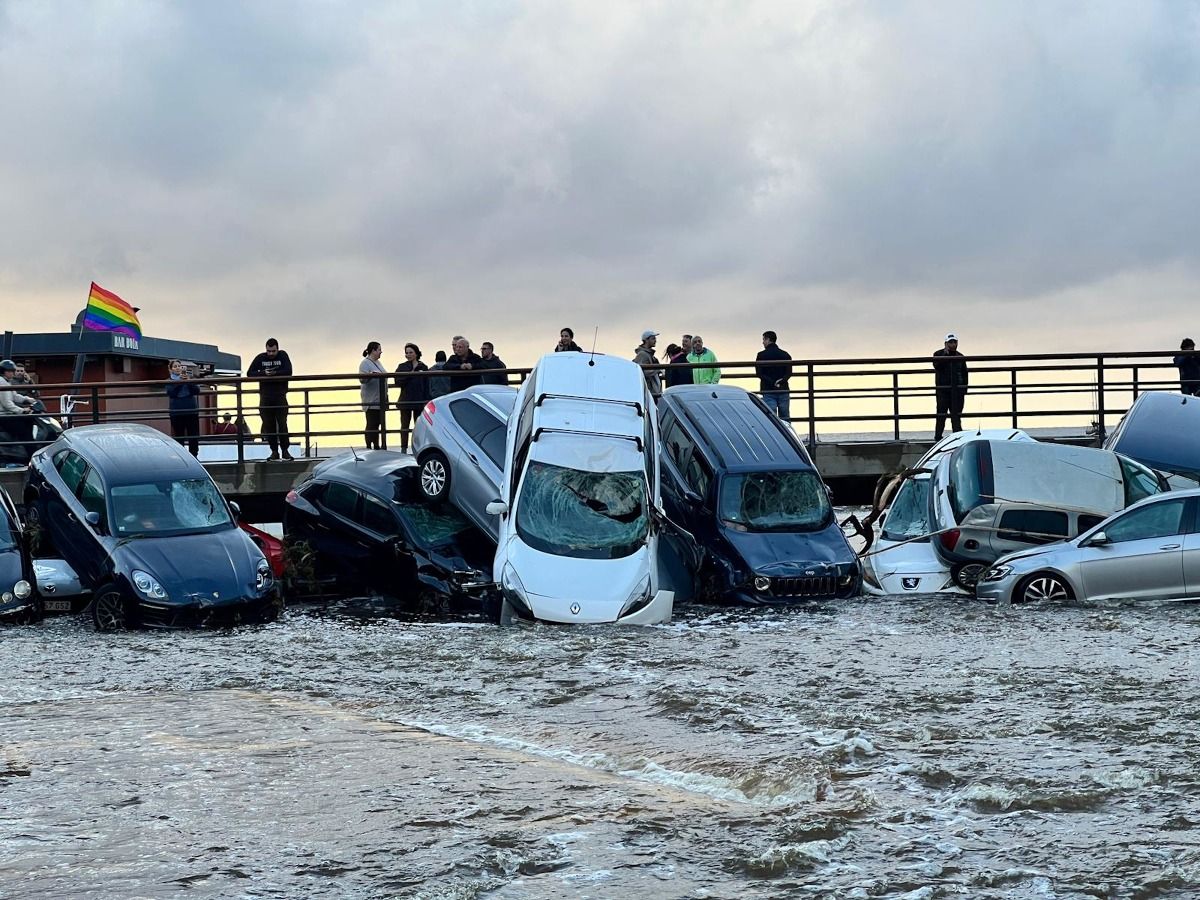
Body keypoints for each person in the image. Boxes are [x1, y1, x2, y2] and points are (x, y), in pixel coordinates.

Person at [247, 338, 294, 460]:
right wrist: (263, 373)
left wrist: (275, 374)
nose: (271, 354)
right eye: (269, 351)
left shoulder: (283, 356)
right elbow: (249, 373)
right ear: (266, 349)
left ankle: (285, 450)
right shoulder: (260, 358)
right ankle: (274, 451)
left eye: (273, 351)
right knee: (269, 425)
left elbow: (289, 371)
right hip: (265, 397)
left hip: (280, 396)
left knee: (282, 424)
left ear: (277, 349)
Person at [393, 343, 430, 453]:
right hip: (405, 400)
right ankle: (403, 449)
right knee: (404, 426)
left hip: (418, 400)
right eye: (407, 353)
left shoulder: (423, 367)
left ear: (416, 353)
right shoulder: (402, 366)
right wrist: (411, 373)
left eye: (410, 352)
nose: (408, 355)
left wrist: (426, 400)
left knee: (418, 427)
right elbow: (397, 382)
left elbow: (427, 384)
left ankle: (418, 448)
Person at [933, 332, 969, 440]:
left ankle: (958, 437)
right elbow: (937, 366)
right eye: (950, 342)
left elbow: (964, 373)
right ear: (946, 343)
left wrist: (964, 389)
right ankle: (938, 437)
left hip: (957, 391)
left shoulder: (960, 357)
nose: (953, 344)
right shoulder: (938, 354)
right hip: (943, 390)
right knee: (941, 415)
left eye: (954, 342)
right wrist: (945, 354)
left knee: (956, 416)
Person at [165, 359, 201, 456]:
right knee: (179, 436)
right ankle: (182, 456)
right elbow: (172, 393)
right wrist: (180, 382)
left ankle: (194, 456)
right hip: (177, 412)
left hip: (191, 411)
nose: (178, 368)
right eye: (175, 366)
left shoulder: (190, 378)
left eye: (179, 366)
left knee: (193, 435)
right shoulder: (169, 381)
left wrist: (188, 381)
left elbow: (197, 391)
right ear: (170, 369)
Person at [755, 331, 793, 419]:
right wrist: (781, 381)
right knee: (785, 416)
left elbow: (759, 373)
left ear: (768, 340)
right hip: (783, 388)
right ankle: (786, 432)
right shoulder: (785, 355)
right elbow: (789, 373)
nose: (763, 342)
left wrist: (772, 382)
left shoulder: (761, 355)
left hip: (768, 389)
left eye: (764, 339)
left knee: (771, 417)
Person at [359, 341, 389, 450]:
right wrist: (371, 375)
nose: (381, 352)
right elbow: (362, 379)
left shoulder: (378, 362)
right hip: (371, 401)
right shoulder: (365, 363)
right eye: (379, 349)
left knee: (378, 424)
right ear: (373, 350)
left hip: (380, 399)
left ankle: (377, 446)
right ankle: (369, 447)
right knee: (372, 424)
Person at [634, 330, 662, 399]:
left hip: (651, 391)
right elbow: (642, 372)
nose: (655, 340)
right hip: (649, 391)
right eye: (653, 338)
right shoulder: (642, 354)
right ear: (646, 340)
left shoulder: (649, 354)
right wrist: (657, 370)